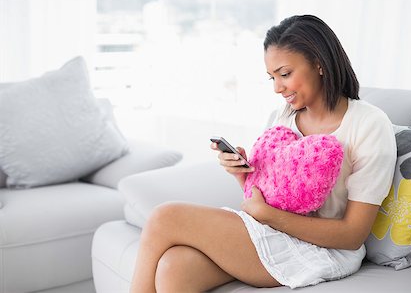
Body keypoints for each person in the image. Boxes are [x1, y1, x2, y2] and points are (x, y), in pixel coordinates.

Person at [130, 15, 397, 292]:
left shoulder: (369, 124)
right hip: (272, 230)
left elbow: (352, 235)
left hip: (325, 249)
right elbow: (267, 196)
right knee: (175, 268)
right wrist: (241, 174)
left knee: (165, 217)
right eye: (272, 77)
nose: (277, 88)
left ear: (319, 63)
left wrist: (268, 215)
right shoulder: (282, 117)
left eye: (285, 74)